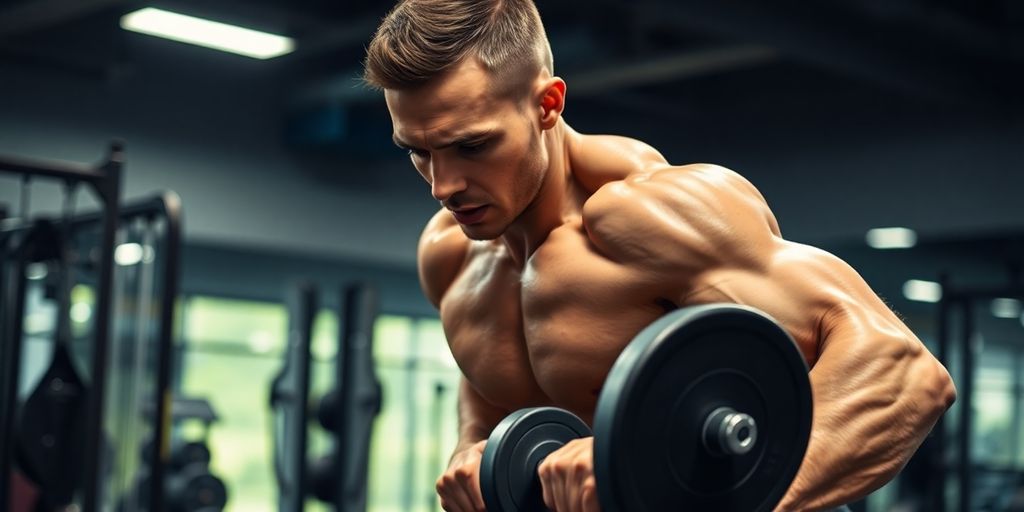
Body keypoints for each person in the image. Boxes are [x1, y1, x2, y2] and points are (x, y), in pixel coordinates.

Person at [362, 1, 957, 510]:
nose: (443, 185)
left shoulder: (651, 217)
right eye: (417, 151)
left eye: (472, 145)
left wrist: (687, 489)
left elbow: (903, 373)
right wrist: (476, 451)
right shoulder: (450, 255)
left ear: (547, 106)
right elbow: (492, 394)